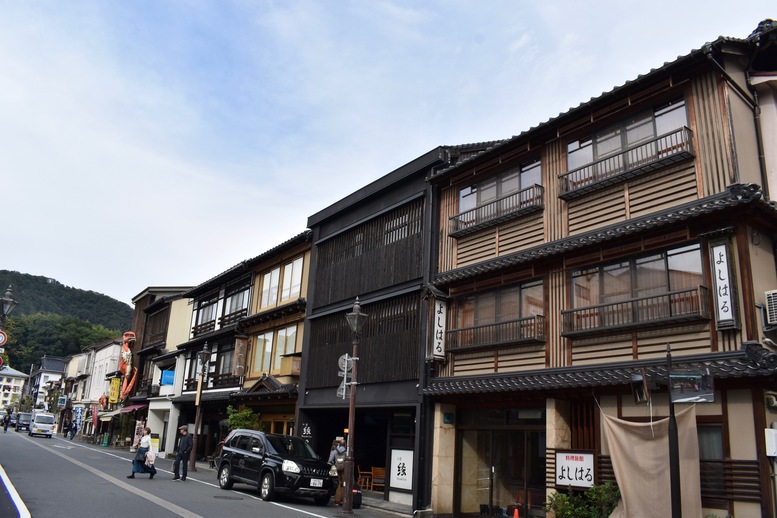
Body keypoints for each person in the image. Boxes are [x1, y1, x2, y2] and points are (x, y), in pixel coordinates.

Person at [328, 437, 347, 505]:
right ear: (345, 445)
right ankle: (343, 500)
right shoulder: (346, 452)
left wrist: (334, 464)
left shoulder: (335, 451)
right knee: (344, 484)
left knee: (338, 484)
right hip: (344, 470)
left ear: (339, 444)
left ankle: (337, 500)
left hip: (336, 469)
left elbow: (330, 461)